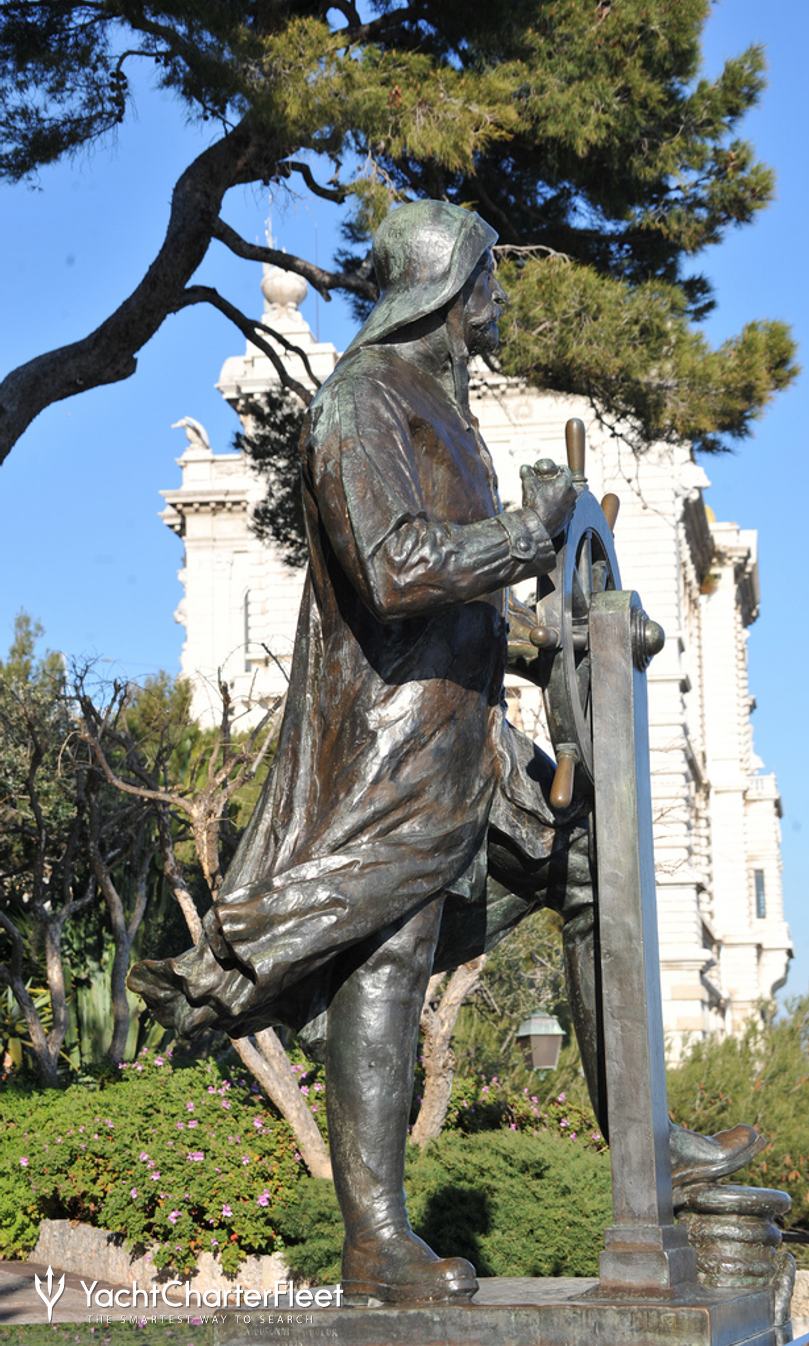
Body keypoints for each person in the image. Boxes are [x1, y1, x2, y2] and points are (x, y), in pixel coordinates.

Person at [129, 200, 761, 1306]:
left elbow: (465, 607)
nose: (504, 297)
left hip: (468, 726)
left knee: (590, 868)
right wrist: (527, 535)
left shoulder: (450, 413)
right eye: (488, 277)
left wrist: (564, 631)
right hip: (391, 740)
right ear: (449, 285)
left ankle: (645, 1149)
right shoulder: (361, 401)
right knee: (387, 947)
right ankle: (376, 1236)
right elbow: (396, 568)